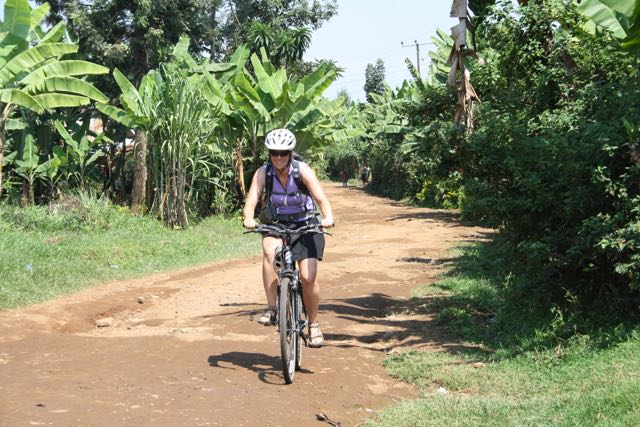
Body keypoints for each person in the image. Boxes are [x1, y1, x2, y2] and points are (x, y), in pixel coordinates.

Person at [243, 128, 335, 348]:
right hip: (277, 224)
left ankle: (313, 325)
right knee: (268, 251)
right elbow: (252, 200)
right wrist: (248, 218)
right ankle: (272, 308)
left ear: (290, 153)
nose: (278, 157)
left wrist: (328, 216)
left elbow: (320, 197)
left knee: (307, 277)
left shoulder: (301, 170)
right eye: (274, 153)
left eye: (283, 153)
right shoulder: (263, 172)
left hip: (306, 224)